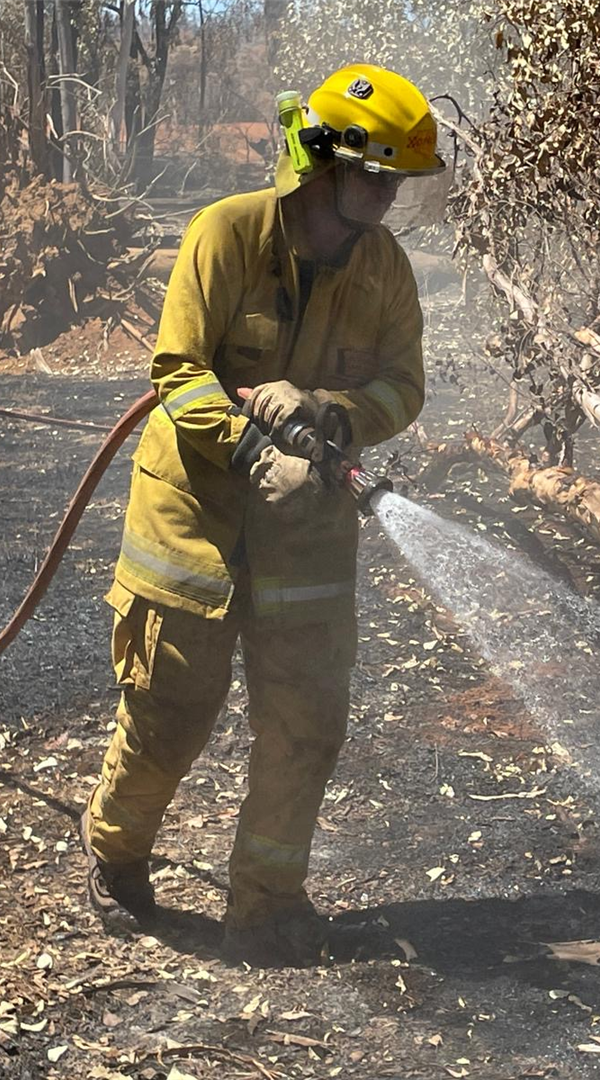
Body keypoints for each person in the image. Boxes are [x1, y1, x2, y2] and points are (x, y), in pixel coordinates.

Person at [78, 64, 447, 966]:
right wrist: (250, 448)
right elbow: (177, 371)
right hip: (193, 523)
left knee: (306, 726)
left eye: (397, 182)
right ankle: (116, 858)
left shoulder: (385, 269)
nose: (388, 197)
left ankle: (269, 903)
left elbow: (404, 386)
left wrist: (332, 414)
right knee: (169, 716)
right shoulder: (227, 233)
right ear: (322, 161)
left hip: (308, 531)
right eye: (375, 177)